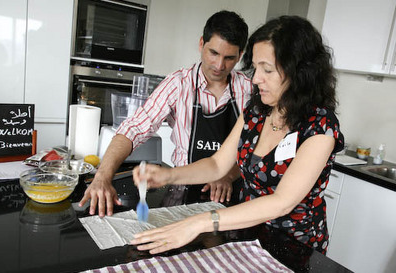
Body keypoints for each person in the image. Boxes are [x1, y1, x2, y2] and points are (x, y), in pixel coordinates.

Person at [130, 15, 345, 255]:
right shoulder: (257, 111)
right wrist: (168, 176)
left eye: (268, 70)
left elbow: (281, 202)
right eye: (256, 67)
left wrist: (199, 222)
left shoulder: (319, 126)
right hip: (246, 231)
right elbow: (216, 164)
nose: (256, 79)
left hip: (294, 247)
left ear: (300, 73)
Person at [79, 10, 252, 216]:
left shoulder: (250, 89)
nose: (219, 65)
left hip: (231, 192)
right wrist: (102, 177)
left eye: (229, 58)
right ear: (201, 44)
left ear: (240, 56)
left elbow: (257, 147)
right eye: (213, 53)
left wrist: (229, 174)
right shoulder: (178, 84)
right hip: (182, 190)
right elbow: (133, 129)